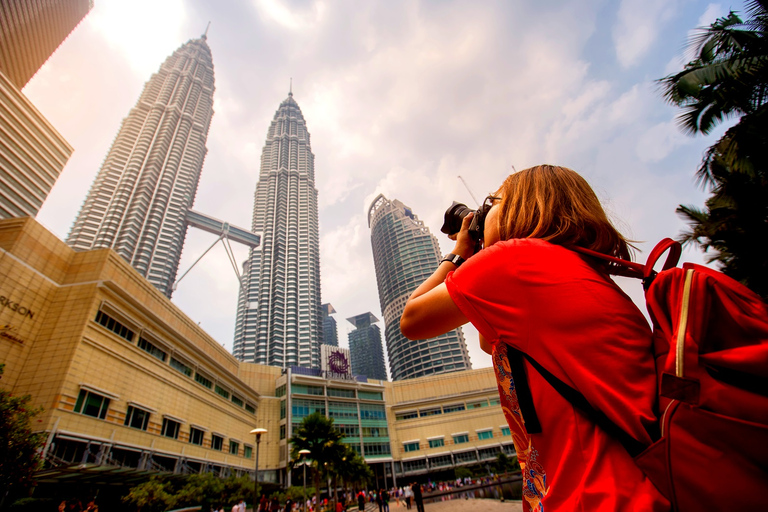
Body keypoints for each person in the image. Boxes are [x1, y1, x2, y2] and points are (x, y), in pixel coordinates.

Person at [400, 165, 669, 512]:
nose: (484, 214)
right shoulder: (588, 274)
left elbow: (412, 320)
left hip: (594, 497)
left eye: (492, 202)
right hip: (641, 487)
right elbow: (490, 343)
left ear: (523, 208)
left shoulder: (514, 259)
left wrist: (456, 256)